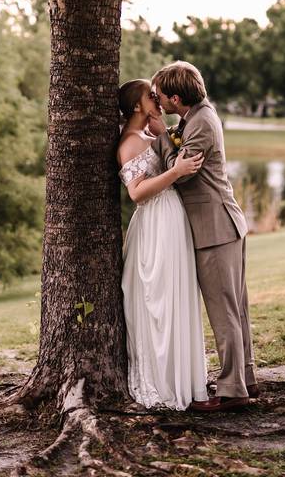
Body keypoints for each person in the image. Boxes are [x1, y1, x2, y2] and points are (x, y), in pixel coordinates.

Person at [152, 61, 259, 412]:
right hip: (223, 225)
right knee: (234, 309)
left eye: (161, 96)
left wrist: (162, 137)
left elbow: (179, 173)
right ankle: (244, 379)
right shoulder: (197, 115)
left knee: (224, 311)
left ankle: (232, 392)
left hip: (215, 228)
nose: (158, 101)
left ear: (176, 97)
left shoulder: (201, 124)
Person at [117, 78, 209, 410]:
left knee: (177, 295)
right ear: (137, 106)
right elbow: (137, 192)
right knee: (155, 298)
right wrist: (177, 171)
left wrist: (159, 126)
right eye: (150, 96)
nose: (157, 99)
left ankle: (182, 376)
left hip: (173, 219)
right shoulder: (128, 143)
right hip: (154, 223)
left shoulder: (150, 133)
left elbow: (171, 144)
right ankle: (161, 380)